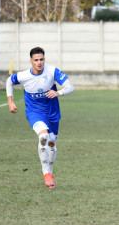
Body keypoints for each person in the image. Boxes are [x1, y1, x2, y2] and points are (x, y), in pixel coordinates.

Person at [6, 47, 74, 189]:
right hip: (34, 112)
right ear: (31, 61)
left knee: (52, 144)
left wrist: (58, 93)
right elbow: (9, 81)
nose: (39, 62)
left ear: (44, 59)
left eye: (41, 59)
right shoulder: (24, 76)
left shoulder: (52, 71)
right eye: (36, 60)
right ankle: (45, 173)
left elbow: (70, 86)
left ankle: (50, 172)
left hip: (53, 113)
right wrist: (10, 102)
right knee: (43, 136)